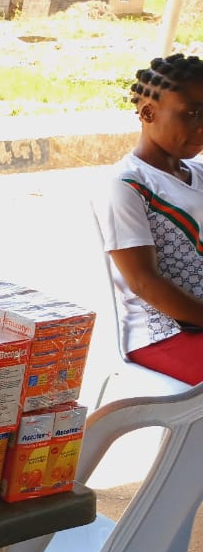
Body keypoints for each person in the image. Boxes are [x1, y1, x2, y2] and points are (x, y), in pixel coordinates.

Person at [94, 53, 203, 385]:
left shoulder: (198, 174)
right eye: (192, 114)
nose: (202, 126)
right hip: (161, 335)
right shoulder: (126, 186)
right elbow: (144, 283)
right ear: (148, 113)